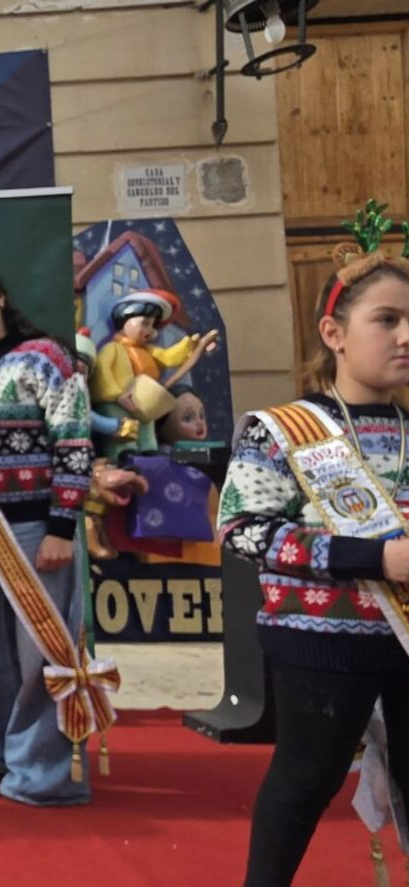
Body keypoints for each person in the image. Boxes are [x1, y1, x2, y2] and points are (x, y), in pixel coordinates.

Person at [219, 247, 409, 886]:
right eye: (387, 319)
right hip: (322, 638)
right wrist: (372, 557)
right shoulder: (280, 431)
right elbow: (242, 531)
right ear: (334, 333)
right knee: (306, 781)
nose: (406, 336)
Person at [0, 262, 106, 807]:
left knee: (41, 651)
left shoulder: (46, 356)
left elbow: (74, 441)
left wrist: (61, 525)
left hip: (35, 526)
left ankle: (45, 773)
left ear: (0, 296)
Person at [90, 290, 219, 459]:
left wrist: (189, 345)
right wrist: (117, 394)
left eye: (152, 326)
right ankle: (123, 454)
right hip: (118, 402)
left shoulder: (148, 351)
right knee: (124, 428)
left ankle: (148, 449)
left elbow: (168, 357)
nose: (149, 331)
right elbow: (103, 371)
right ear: (125, 320)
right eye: (144, 323)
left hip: (143, 400)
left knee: (146, 426)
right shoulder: (112, 349)